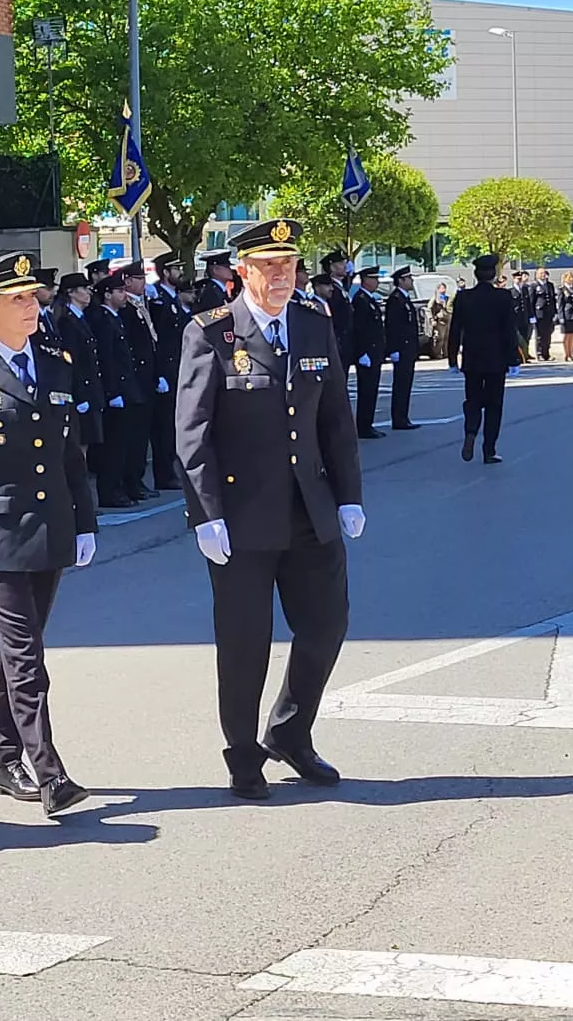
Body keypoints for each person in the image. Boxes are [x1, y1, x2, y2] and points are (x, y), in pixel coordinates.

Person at [175, 218, 364, 800]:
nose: (283, 275)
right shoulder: (211, 333)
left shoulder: (312, 324)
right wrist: (205, 513)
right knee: (244, 642)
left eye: (289, 264)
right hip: (241, 517)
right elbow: (192, 431)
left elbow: (334, 416)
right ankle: (242, 754)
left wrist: (350, 495)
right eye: (269, 266)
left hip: (310, 508)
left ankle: (289, 730)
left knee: (327, 624)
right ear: (243, 271)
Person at [0, 253, 100, 817]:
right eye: (19, 299)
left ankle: (2, 761)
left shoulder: (56, 364)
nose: (32, 306)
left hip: (51, 526)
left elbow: (70, 453)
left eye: (33, 297)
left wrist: (86, 520)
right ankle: (49, 771)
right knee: (26, 656)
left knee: (19, 653)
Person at [449, 254, 522, 465]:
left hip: (472, 358)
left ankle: (471, 431)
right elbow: (509, 330)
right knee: (494, 405)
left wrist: (453, 358)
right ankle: (489, 449)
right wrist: (513, 359)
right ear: (494, 276)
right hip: (496, 359)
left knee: (472, 399)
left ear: (476, 275)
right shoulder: (503, 297)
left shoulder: (464, 297)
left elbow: (455, 330)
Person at [86, 273, 136, 508]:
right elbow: (106, 358)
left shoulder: (116, 317)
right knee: (113, 447)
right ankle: (109, 491)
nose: (124, 295)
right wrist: (113, 391)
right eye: (119, 291)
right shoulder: (104, 319)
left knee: (122, 444)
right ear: (107, 294)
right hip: (115, 391)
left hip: (125, 389)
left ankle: (119, 487)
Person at [147, 253, 190, 491]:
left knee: (174, 425)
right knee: (164, 428)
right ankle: (164, 474)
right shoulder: (158, 298)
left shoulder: (172, 298)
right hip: (166, 370)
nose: (180, 273)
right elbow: (159, 340)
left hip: (178, 369)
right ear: (165, 272)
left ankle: (171, 470)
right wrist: (160, 373)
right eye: (176, 269)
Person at [116, 279, 160, 500]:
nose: (143, 283)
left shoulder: (142, 305)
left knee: (141, 435)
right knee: (132, 437)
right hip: (135, 380)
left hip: (145, 379)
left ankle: (137, 479)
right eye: (138, 279)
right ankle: (130, 481)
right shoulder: (128, 310)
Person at [53, 273, 104, 457]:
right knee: (79, 445)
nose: (88, 292)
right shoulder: (68, 321)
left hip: (90, 390)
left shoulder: (80, 318)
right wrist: (80, 395)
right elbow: (72, 361)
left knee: (88, 442)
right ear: (71, 293)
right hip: (82, 391)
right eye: (83, 289)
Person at [349, 266, 387, 438]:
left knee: (372, 390)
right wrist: (361, 352)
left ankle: (368, 424)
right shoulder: (361, 300)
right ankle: (364, 426)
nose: (377, 282)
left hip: (374, 351)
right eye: (374, 278)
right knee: (366, 390)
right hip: (367, 353)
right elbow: (359, 329)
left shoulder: (368, 299)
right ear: (365, 280)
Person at [383, 267, 421, 431]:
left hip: (408, 348)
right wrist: (393, 349)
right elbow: (392, 326)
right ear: (400, 281)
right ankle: (399, 418)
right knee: (401, 384)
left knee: (406, 384)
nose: (411, 281)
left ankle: (403, 417)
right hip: (402, 348)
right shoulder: (396, 299)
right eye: (408, 278)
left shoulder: (404, 299)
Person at [191, 249, 235, 313]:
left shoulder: (217, 289)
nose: (230, 269)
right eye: (226, 267)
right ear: (215, 270)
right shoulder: (210, 292)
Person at [532, 268, 558, 361]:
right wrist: (532, 315)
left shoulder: (550, 285)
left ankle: (546, 353)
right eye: (541, 273)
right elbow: (532, 301)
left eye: (544, 273)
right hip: (539, 313)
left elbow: (553, 300)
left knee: (548, 334)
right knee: (540, 334)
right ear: (537, 275)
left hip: (549, 313)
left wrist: (555, 312)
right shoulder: (534, 286)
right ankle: (540, 353)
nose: (543, 275)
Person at [509, 270, 534, 363]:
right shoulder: (511, 291)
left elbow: (528, 304)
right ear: (514, 279)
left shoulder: (524, 290)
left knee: (526, 337)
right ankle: (519, 357)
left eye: (520, 279)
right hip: (516, 318)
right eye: (517, 279)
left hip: (525, 317)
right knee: (518, 339)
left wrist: (531, 316)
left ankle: (525, 356)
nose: (519, 280)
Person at [558, 271, 573, 362]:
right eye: (569, 278)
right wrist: (561, 317)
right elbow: (560, 304)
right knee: (566, 336)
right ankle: (566, 354)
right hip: (566, 315)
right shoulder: (562, 289)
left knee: (572, 335)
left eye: (572, 278)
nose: (571, 279)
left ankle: (571, 353)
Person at [428, 280, 453, 361]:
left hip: (447, 320)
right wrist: (432, 319)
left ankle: (446, 353)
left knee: (447, 338)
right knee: (439, 338)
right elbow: (429, 308)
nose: (444, 290)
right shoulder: (435, 298)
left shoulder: (447, 298)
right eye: (442, 288)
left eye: (444, 288)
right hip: (439, 321)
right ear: (438, 289)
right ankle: (437, 353)